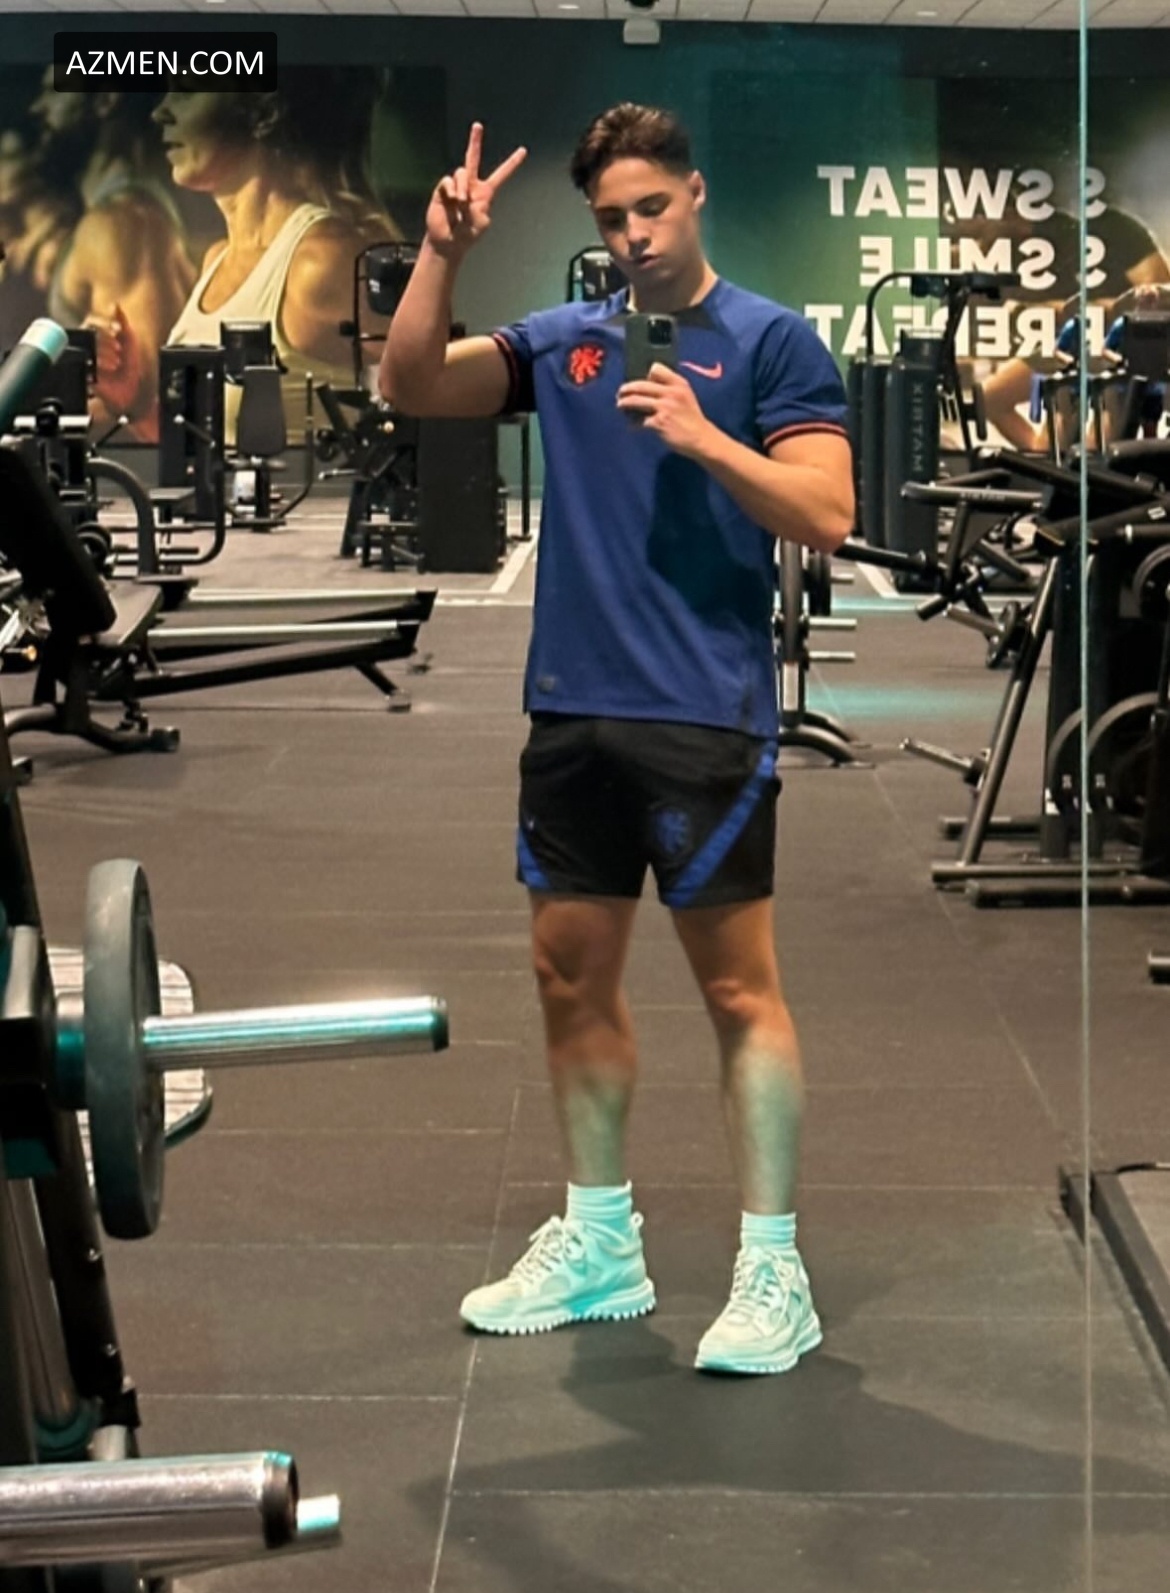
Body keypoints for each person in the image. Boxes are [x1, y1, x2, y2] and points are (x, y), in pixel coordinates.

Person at [380, 105, 854, 1376]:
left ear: (694, 197)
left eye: (651, 208)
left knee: (739, 992)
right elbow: (410, 384)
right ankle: (601, 1241)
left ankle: (774, 1268)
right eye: (611, 218)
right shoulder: (566, 343)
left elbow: (826, 513)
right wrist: (442, 253)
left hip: (704, 712)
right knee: (567, 973)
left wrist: (706, 438)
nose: (634, 234)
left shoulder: (772, 341)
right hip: (573, 709)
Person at [153, 75, 401, 445]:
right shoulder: (216, 259)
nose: (160, 112)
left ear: (263, 114)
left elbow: (431, 390)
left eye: (186, 92)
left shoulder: (320, 262)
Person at [25, 74, 196, 441]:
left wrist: (22, 406)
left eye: (54, 89)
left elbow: (142, 398)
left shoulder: (121, 224)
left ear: (106, 99)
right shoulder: (108, 216)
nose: (38, 108)